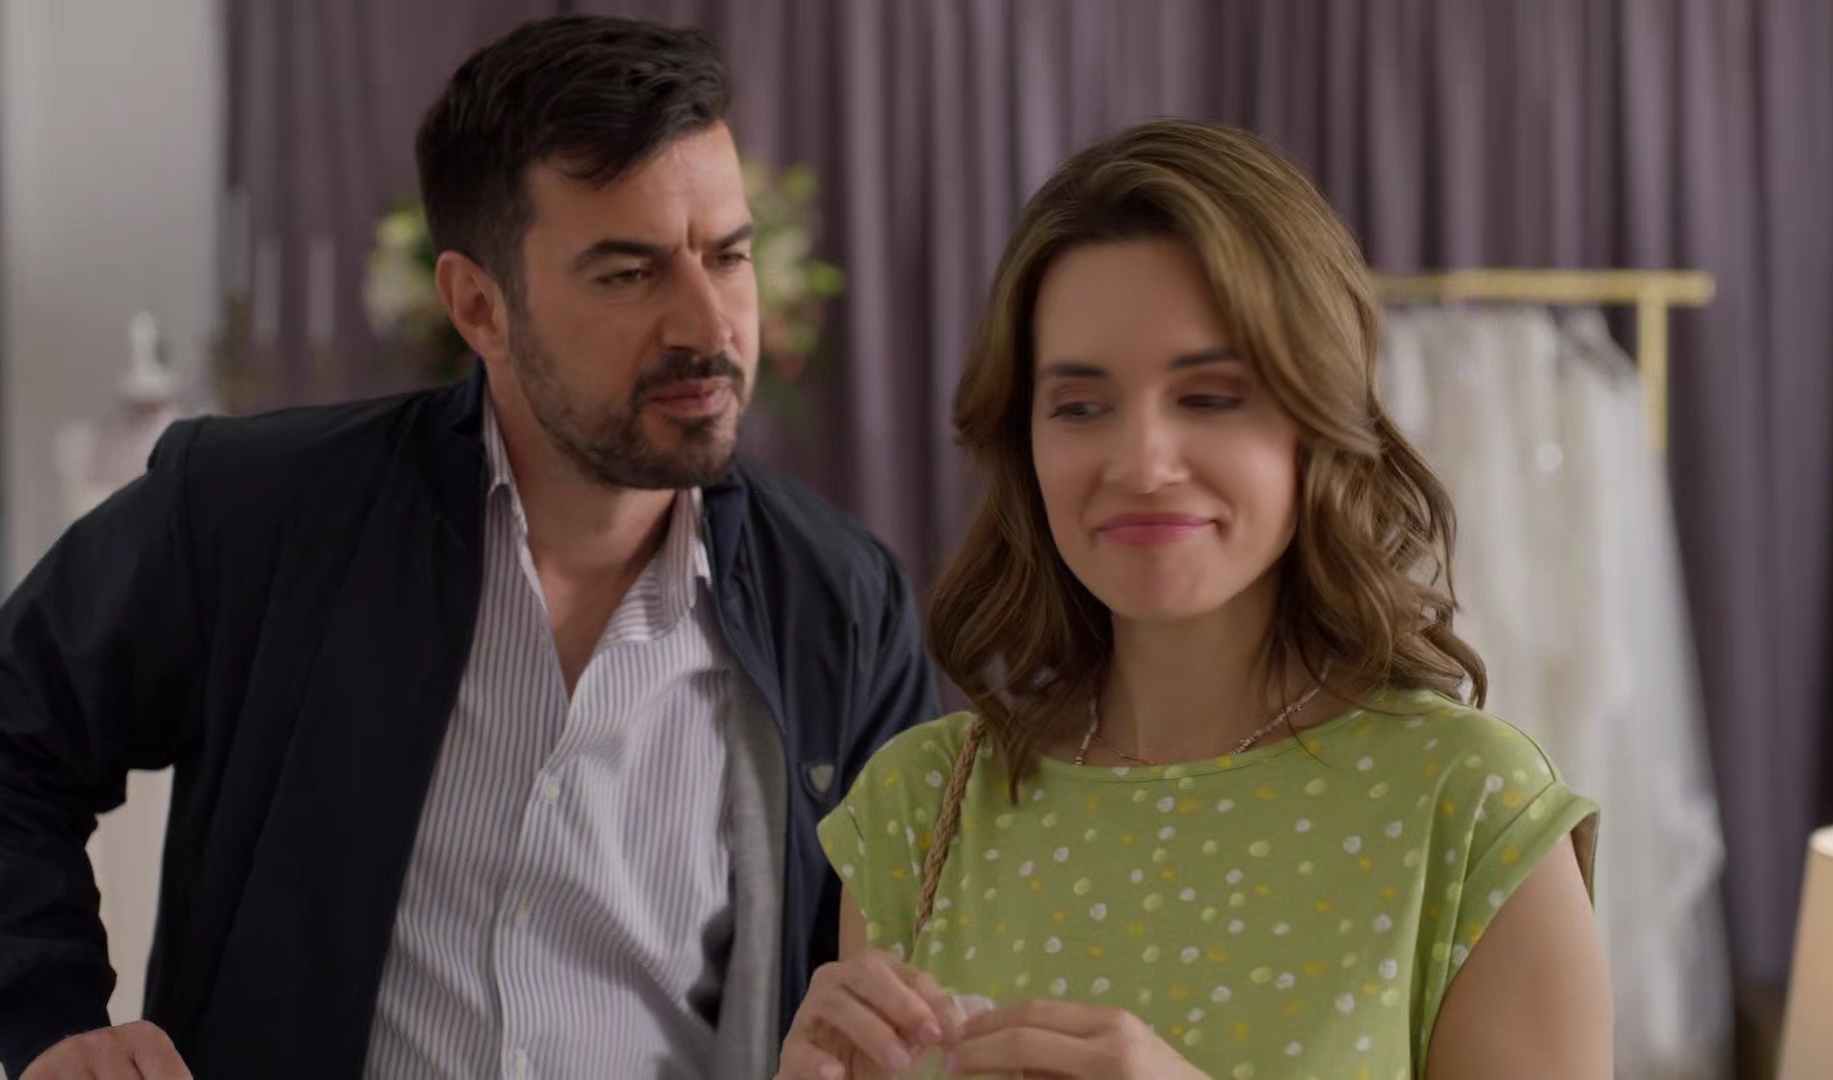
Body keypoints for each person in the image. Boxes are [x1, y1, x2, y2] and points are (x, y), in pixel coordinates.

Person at [0, 15, 937, 1080]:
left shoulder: (843, 604)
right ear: (478, 305)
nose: (708, 326)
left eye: (727, 256)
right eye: (627, 274)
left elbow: (916, 958)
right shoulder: (253, 516)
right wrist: (50, 1019)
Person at [778, 119, 1610, 1080]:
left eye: (1210, 396)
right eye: (1080, 406)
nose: (1142, 463)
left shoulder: (1470, 812)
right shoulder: (918, 808)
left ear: (1317, 424)